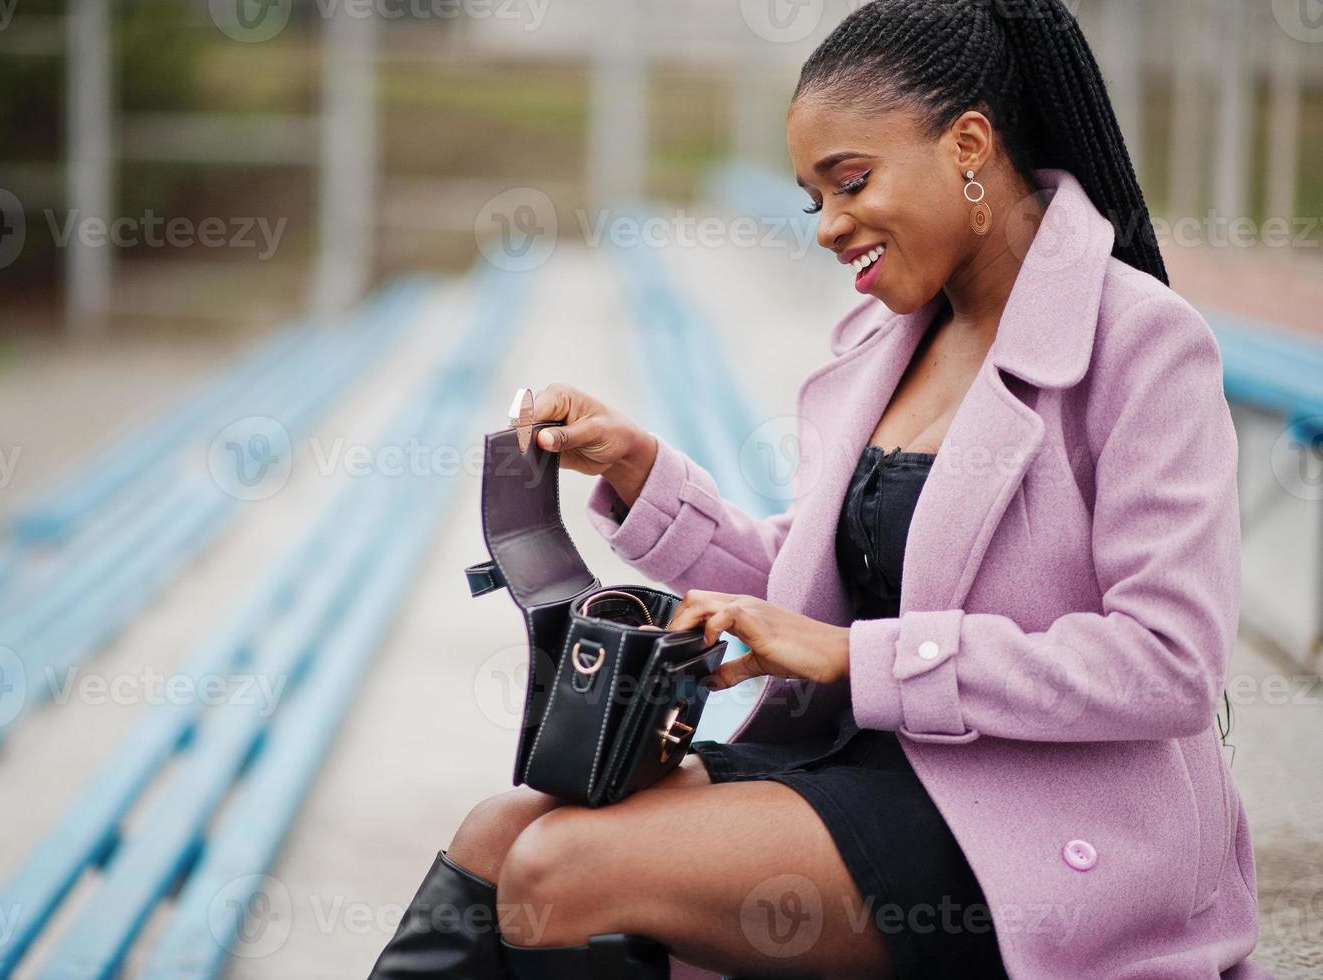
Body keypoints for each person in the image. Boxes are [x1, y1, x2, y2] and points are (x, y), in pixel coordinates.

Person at [368, 0, 1269, 976]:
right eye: (814, 200)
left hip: (1030, 813)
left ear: (970, 144)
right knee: (502, 828)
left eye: (851, 182)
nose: (831, 228)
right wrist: (640, 471)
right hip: (866, 763)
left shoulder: (1141, 342)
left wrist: (857, 656)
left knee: (558, 868)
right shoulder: (892, 344)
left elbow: (1169, 662)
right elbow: (802, 592)